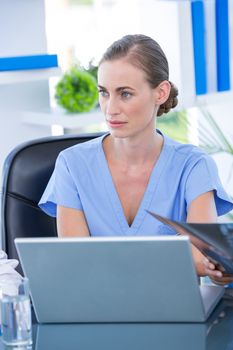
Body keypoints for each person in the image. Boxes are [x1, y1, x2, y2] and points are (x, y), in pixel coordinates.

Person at [39, 34, 233, 285]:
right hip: (97, 309)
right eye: (104, 93)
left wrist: (217, 268)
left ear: (160, 93)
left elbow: (203, 259)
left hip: (174, 312)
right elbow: (77, 262)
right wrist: (178, 259)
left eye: (125, 94)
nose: (110, 109)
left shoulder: (193, 165)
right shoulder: (72, 164)